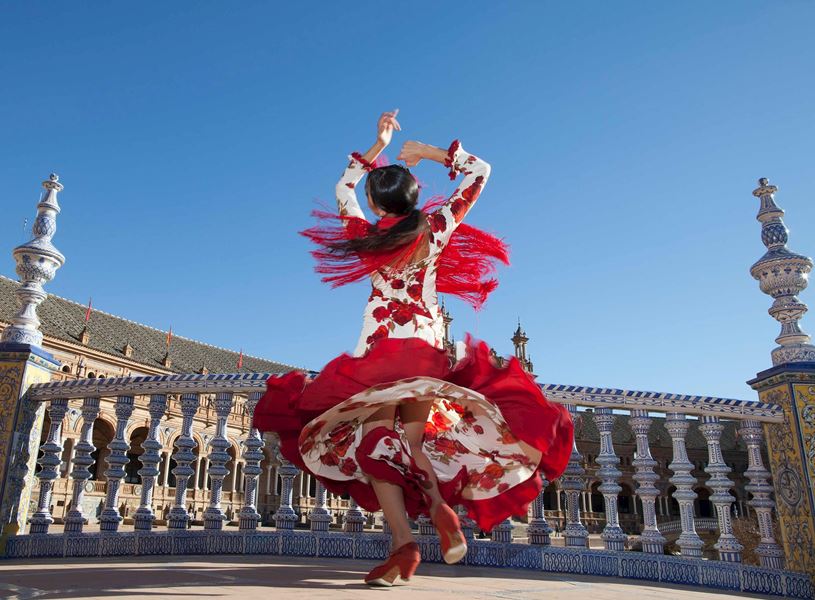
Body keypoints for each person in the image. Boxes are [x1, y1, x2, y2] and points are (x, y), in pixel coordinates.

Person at [254, 110, 573, 587]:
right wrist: (430, 152)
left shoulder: (366, 235)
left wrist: (378, 145)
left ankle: (404, 543)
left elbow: (343, 187)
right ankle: (438, 513)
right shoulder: (436, 228)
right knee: (413, 445)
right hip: (426, 352)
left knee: (374, 446)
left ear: (375, 205)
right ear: (413, 197)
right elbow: (480, 171)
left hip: (380, 354)